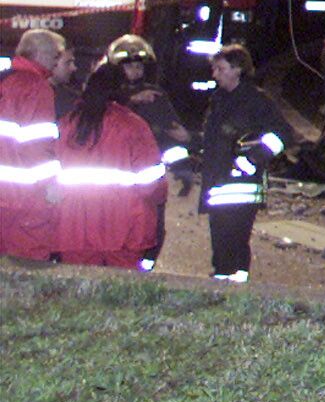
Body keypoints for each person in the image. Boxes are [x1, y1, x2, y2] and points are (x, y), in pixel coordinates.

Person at [55, 62, 166, 268]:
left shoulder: (67, 124)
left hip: (76, 225)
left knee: (78, 291)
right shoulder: (133, 125)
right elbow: (152, 184)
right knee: (121, 292)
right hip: (124, 227)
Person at [197, 44, 288, 283]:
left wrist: (252, 159)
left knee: (235, 242)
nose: (215, 74)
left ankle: (234, 285)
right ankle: (222, 282)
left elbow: (282, 135)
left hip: (242, 187)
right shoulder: (218, 100)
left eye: (220, 68)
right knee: (221, 244)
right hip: (219, 185)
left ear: (237, 70)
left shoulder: (257, 101)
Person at [107, 34, 190, 269]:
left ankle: (142, 271)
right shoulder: (105, 97)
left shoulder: (156, 98)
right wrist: (131, 100)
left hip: (149, 181)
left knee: (152, 230)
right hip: (116, 182)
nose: (134, 71)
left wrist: (183, 168)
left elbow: (173, 137)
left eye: (138, 65)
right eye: (128, 66)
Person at [0, 28, 64, 259]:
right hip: (21, 198)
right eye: (56, 57)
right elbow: (37, 144)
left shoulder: (4, 79)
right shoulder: (35, 87)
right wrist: (50, 185)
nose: (57, 63)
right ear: (42, 54)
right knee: (28, 269)